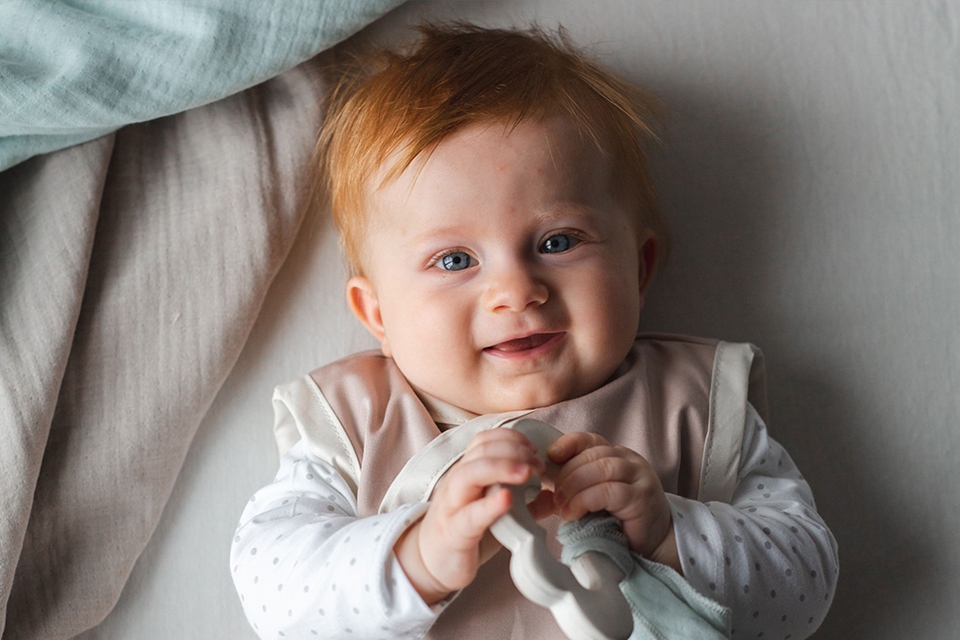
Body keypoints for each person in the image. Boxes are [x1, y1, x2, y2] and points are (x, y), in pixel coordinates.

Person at [230, 23, 838, 640]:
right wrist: (421, 555)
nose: (516, 291)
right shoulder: (356, 425)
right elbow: (273, 594)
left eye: (557, 242)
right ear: (379, 313)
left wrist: (669, 533)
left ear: (637, 269)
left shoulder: (693, 406)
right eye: (455, 260)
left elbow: (806, 585)